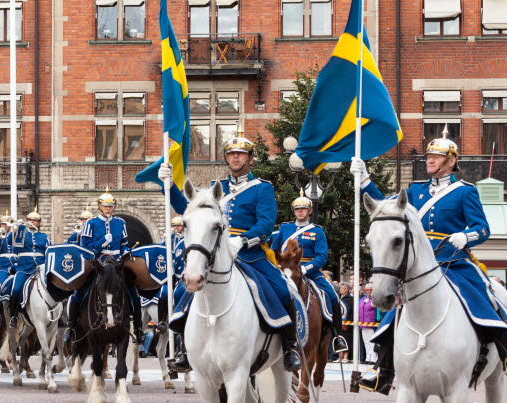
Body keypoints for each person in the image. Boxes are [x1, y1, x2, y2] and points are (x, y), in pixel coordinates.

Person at [353, 128, 507, 393]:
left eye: (436, 156)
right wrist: (364, 180)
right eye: (429, 156)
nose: (429, 160)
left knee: (486, 296)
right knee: (397, 310)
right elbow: (384, 207)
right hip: (420, 263)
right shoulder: (415, 190)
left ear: (451, 160)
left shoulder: (465, 192)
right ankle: (382, 369)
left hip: (454, 260)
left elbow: (483, 228)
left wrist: (466, 236)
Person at [161, 131, 303, 373]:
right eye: (231, 154)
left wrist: (244, 241)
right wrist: (169, 186)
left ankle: (289, 348)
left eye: (241, 154)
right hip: (217, 254)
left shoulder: (262, 188)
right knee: (185, 291)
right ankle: (185, 350)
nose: (236, 158)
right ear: (227, 159)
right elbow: (188, 208)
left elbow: (266, 223)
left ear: (250, 159)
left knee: (282, 290)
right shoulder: (217, 189)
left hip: (251, 254)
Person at [269, 193, 348, 353]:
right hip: (286, 271)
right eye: (297, 209)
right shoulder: (285, 228)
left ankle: (337, 336)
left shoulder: (317, 231)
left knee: (332, 295)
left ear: (309, 211)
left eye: (303, 209)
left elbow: (321, 256)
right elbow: (273, 250)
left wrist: (306, 268)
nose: (300, 212)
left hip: (310, 271)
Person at [74, 189, 144, 341]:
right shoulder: (91, 223)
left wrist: (126, 251)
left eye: (110, 206)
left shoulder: (120, 223)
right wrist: (103, 242)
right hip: (98, 263)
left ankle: (138, 328)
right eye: (105, 206)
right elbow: (85, 248)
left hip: (117, 263)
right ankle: (71, 325)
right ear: (99, 206)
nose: (108, 208)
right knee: (80, 288)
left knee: (133, 292)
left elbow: (124, 244)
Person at [9, 208, 51, 327]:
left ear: (39, 223)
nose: (32, 222)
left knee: (53, 286)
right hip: (24, 268)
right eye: (30, 220)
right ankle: (13, 316)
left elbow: (48, 252)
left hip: (40, 269)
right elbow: (11, 244)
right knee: (16, 289)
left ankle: (57, 315)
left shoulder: (44, 237)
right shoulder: (21, 234)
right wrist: (15, 231)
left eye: (35, 221)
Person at [0, 211, 16, 325]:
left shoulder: (16, 236)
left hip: (17, 266)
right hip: (2, 267)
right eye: (2, 224)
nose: (5, 226)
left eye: (7, 224)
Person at [357, 283, 378, 364]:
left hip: (371, 323)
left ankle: (373, 358)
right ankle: (368, 358)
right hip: (363, 323)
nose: (369, 291)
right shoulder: (363, 299)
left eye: (371, 290)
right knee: (366, 342)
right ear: (365, 290)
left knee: (372, 341)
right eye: (367, 290)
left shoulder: (375, 299)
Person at [339, 281, 354, 363]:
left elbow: (350, 310)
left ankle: (346, 356)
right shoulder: (338, 297)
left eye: (343, 288)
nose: (341, 289)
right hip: (338, 320)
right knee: (340, 338)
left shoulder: (350, 299)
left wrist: (347, 321)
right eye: (340, 288)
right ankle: (340, 356)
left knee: (346, 338)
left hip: (347, 321)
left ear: (347, 290)